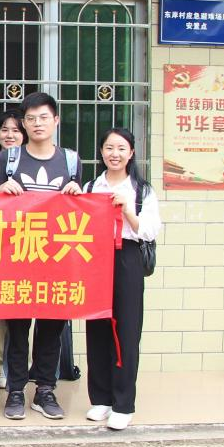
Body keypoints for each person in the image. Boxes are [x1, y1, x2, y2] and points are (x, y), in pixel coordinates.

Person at [0, 91, 82, 421]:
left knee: (51, 329)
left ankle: (45, 389)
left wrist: (77, 194)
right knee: (17, 329)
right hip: (17, 258)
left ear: (56, 120)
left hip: (57, 261)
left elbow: (79, 214)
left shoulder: (71, 161)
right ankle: (16, 390)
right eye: (30, 118)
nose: (37, 124)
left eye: (44, 117)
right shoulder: (8, 160)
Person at [83, 128, 161, 430]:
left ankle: (123, 404)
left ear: (131, 153)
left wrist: (128, 210)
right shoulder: (92, 185)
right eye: (108, 148)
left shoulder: (142, 190)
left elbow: (149, 230)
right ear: (101, 151)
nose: (114, 154)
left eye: (121, 148)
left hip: (127, 258)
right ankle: (101, 399)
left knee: (126, 330)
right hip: (96, 259)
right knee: (97, 327)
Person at [0, 109, 27, 390]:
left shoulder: (32, 162)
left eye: (16, 130)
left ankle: (21, 368)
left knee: (22, 310)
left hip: (26, 245)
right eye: (4, 129)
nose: (9, 135)